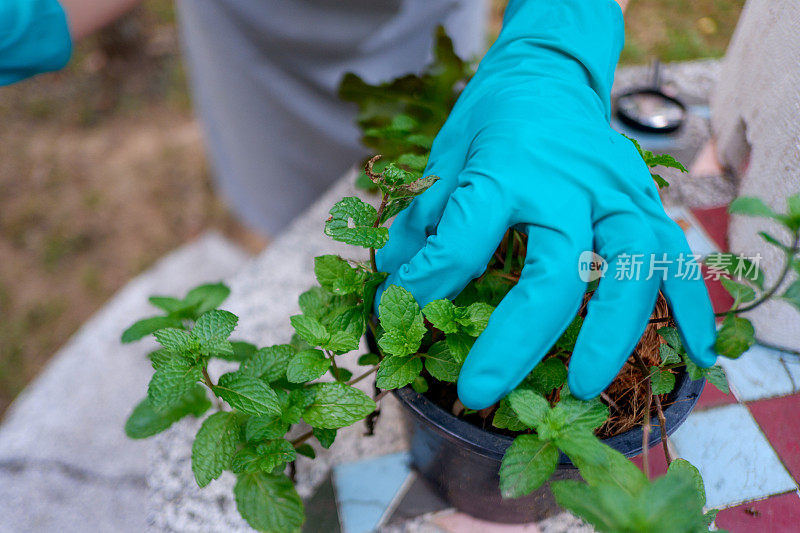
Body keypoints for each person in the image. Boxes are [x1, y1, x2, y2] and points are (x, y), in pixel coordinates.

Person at [0, 0, 718, 408]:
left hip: (419, 14)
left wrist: (558, 38)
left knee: (461, 179)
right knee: (278, 198)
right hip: (252, 30)